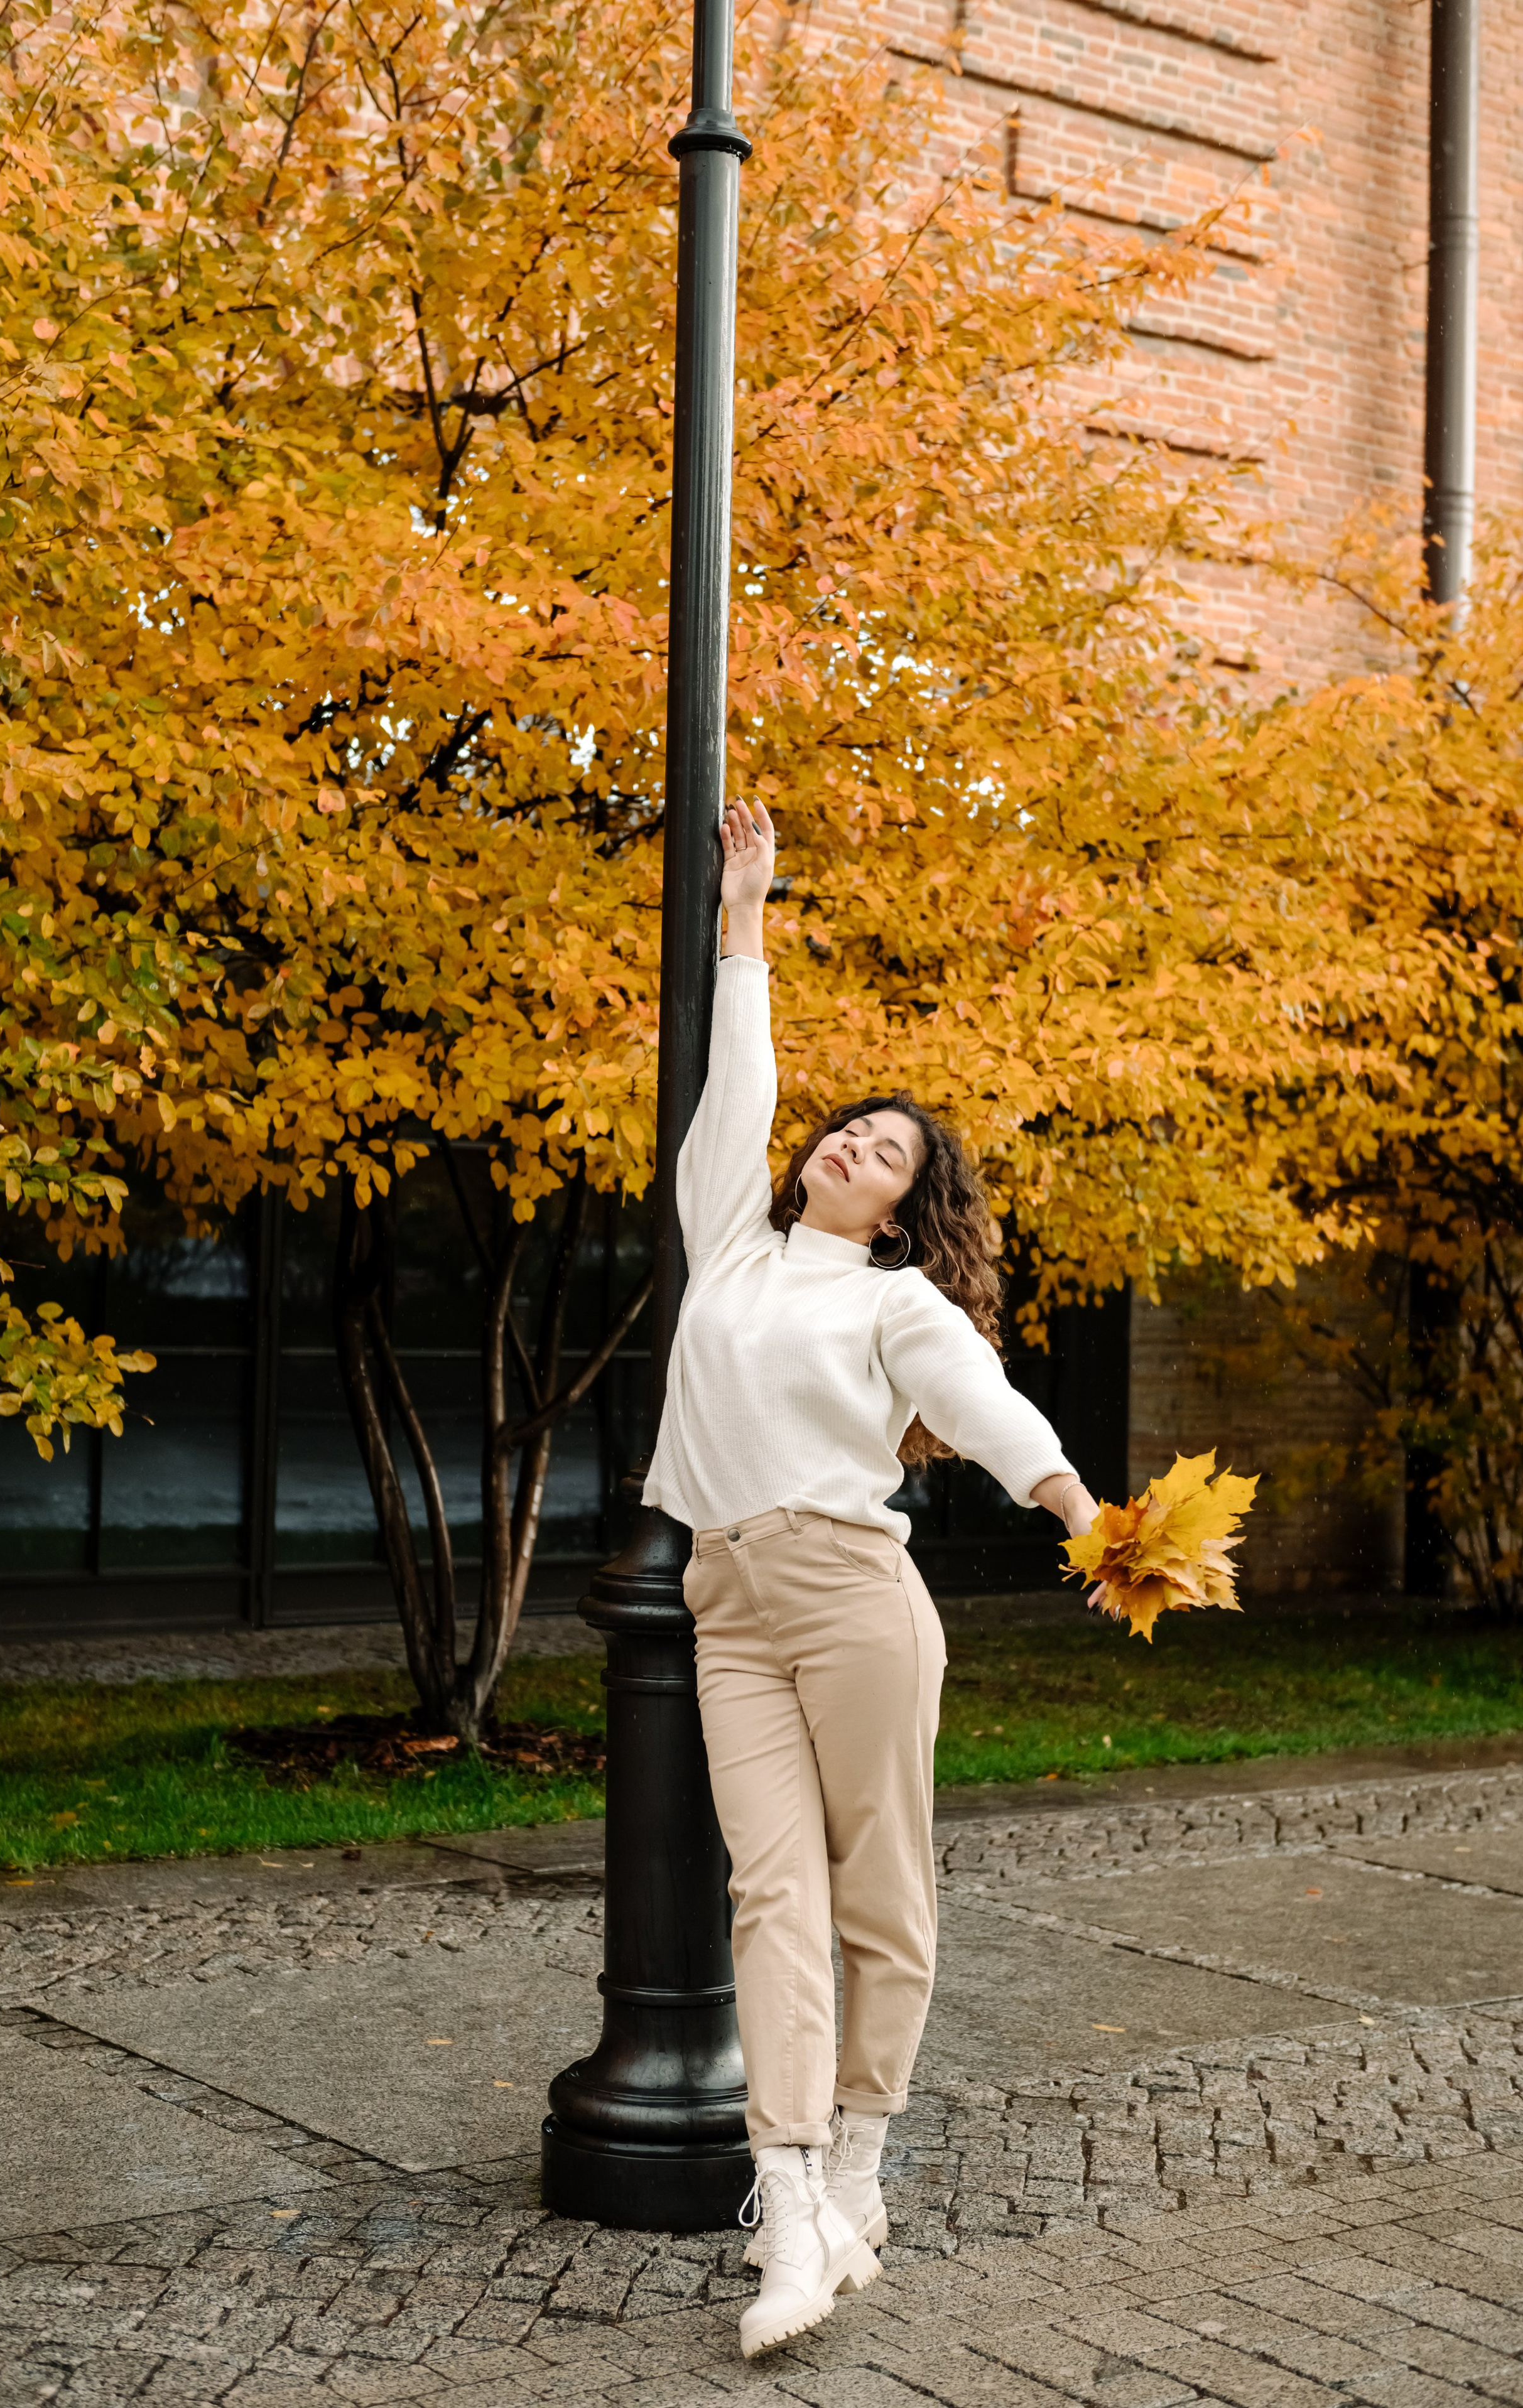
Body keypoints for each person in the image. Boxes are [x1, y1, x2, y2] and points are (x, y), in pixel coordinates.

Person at [642, 798, 1102, 2361]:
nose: (847, 1143)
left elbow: (985, 1407)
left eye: (884, 1152)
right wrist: (745, 915)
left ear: (901, 1207)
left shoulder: (892, 1302)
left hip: (851, 1596)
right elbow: (737, 1089)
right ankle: (786, 2211)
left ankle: (854, 2175)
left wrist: (1077, 1509)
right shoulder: (730, 1247)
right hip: (725, 1601)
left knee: (878, 1894)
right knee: (768, 1892)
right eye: (847, 1129)